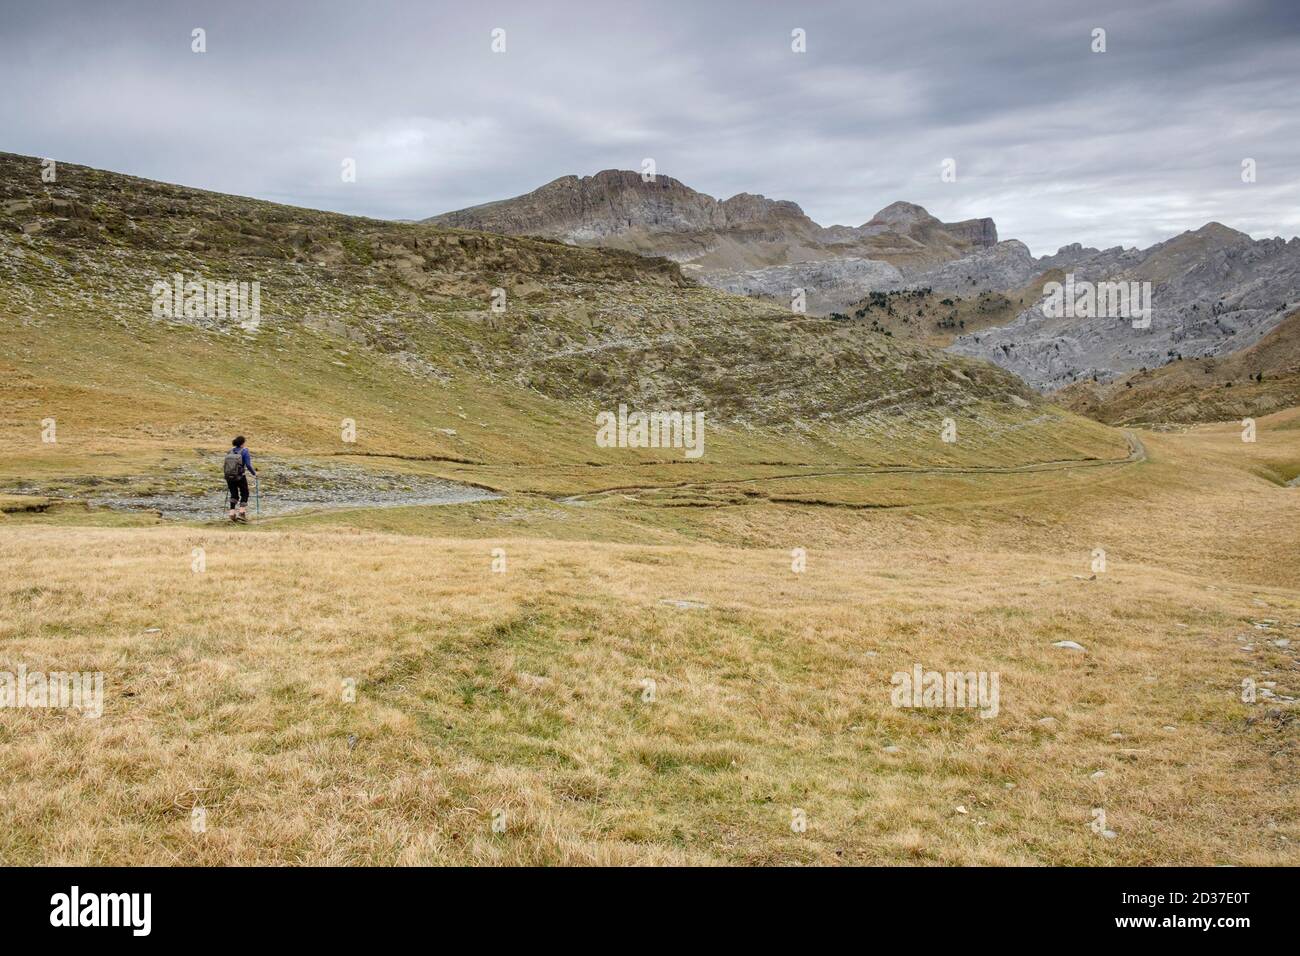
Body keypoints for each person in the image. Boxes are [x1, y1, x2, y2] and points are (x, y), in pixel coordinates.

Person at [222, 435, 257, 522]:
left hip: (229, 476)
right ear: (242, 443)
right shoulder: (244, 451)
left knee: (233, 494)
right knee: (245, 493)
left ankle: (232, 513)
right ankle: (241, 513)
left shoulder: (230, 451)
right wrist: (254, 473)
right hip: (240, 476)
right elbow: (248, 465)